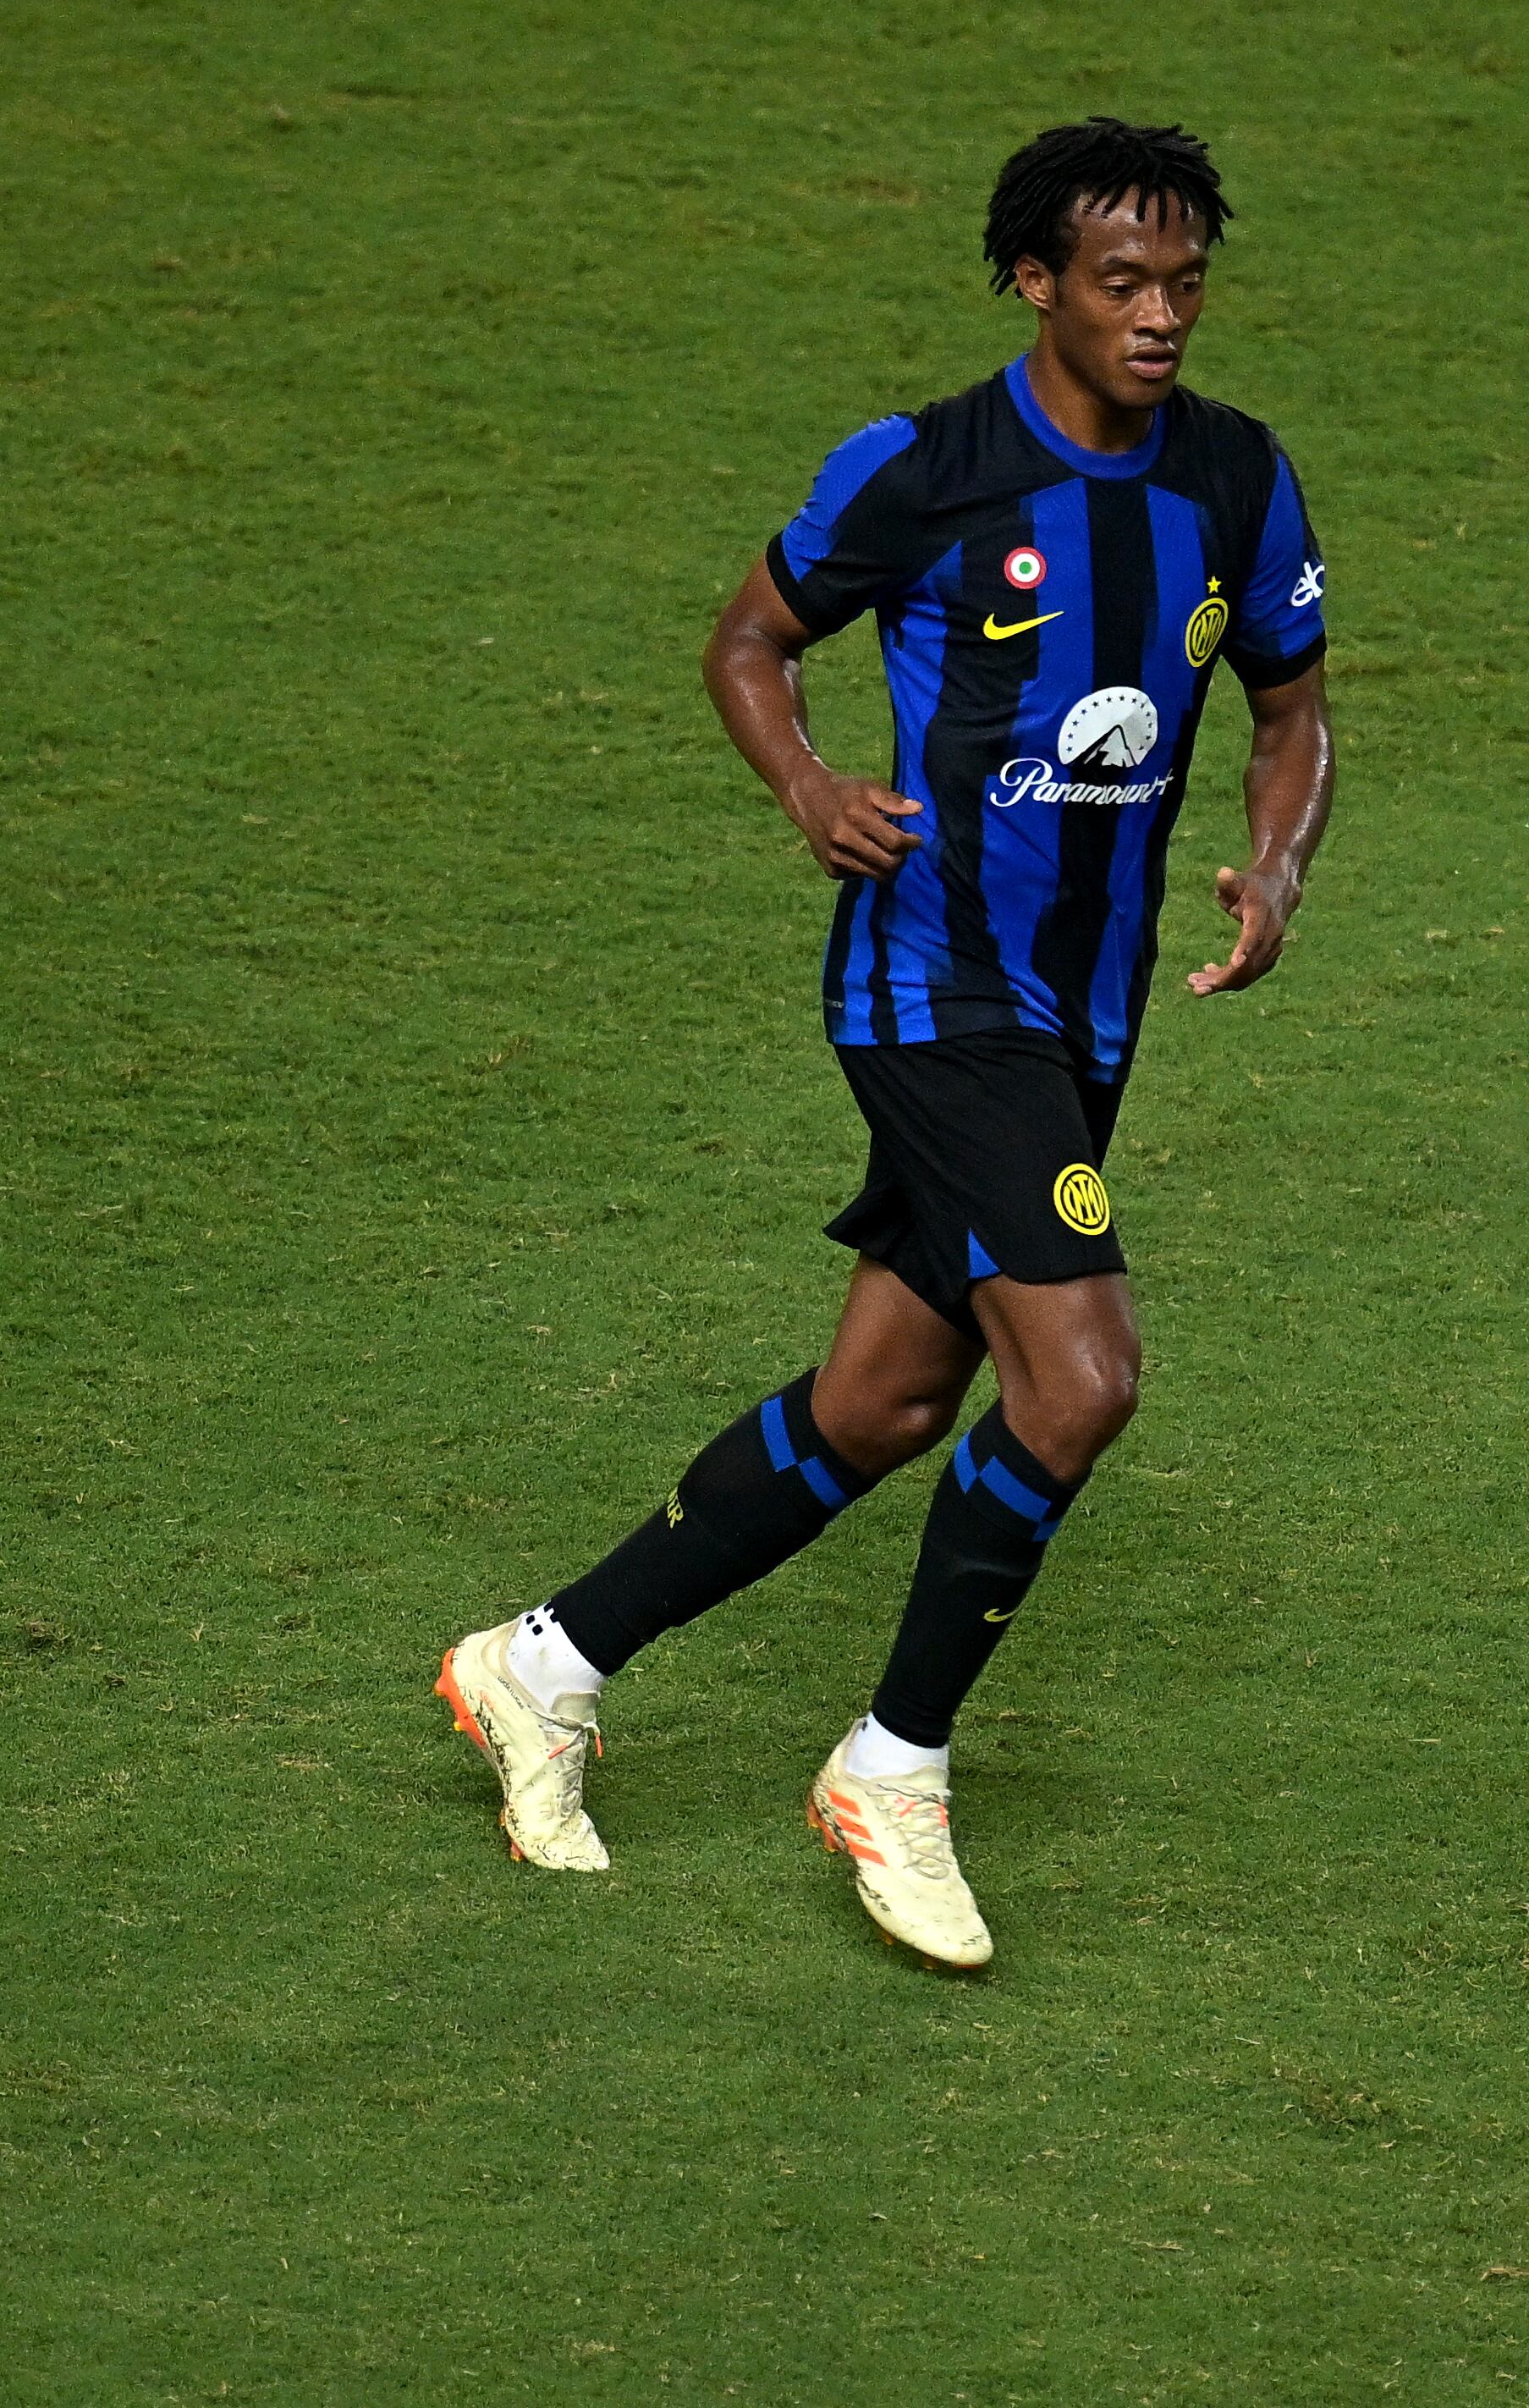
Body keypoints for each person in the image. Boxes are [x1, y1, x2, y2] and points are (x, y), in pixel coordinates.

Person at [437, 117, 1334, 1968]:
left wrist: (1278, 860)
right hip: (934, 993)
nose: (1162, 315)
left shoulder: (1239, 482)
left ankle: (540, 1665)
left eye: (1185, 283)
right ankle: (894, 1764)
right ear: (1038, 282)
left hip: (1082, 1018)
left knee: (887, 1403)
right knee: (1080, 1379)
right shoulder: (923, 470)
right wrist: (806, 786)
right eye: (1122, 283)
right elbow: (752, 638)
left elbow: (1292, 703)